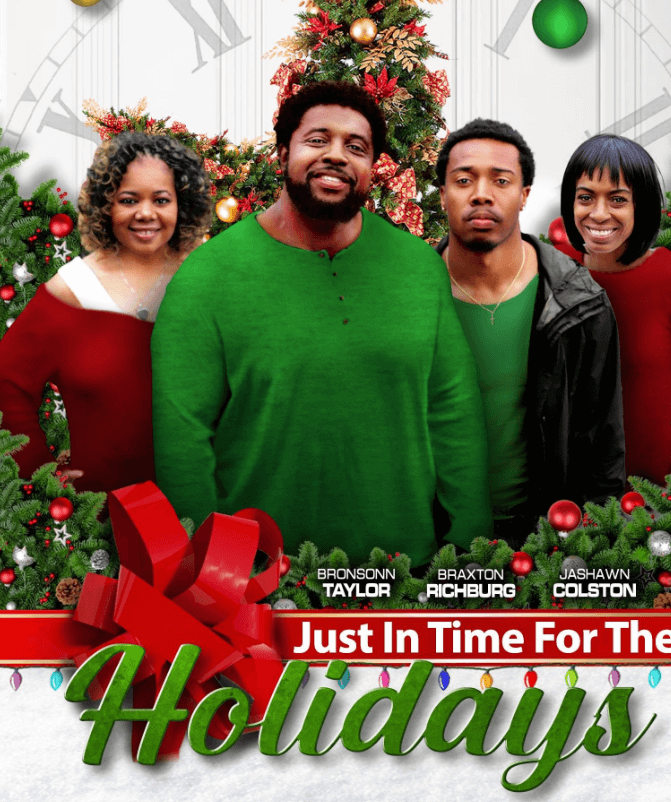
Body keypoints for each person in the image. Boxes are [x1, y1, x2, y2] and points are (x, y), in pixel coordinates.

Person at [151, 81, 492, 564]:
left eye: (356, 147)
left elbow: (453, 409)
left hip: (402, 573)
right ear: (282, 151)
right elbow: (182, 440)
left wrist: (471, 542)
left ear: (372, 170)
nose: (336, 155)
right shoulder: (207, 278)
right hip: (262, 584)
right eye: (317, 140)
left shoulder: (418, 266)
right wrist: (215, 572)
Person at [436, 118, 625, 543]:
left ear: (523, 196)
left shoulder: (580, 304)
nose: (481, 193)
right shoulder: (408, 299)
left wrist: (595, 549)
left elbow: (603, 446)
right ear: (444, 195)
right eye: (464, 179)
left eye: (500, 180)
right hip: (431, 541)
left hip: (541, 539)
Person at [0, 131, 212, 493]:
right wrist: (39, 471)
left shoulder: (209, 279)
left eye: (161, 199)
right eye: (129, 199)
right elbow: (8, 384)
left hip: (206, 519)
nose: (146, 213)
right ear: (106, 205)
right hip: (99, 523)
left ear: (183, 205)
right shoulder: (73, 289)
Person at [560, 133, 671, 486]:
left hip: (648, 505)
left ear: (641, 205)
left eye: (617, 199)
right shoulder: (553, 270)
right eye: (585, 197)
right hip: (556, 506)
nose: (599, 214)